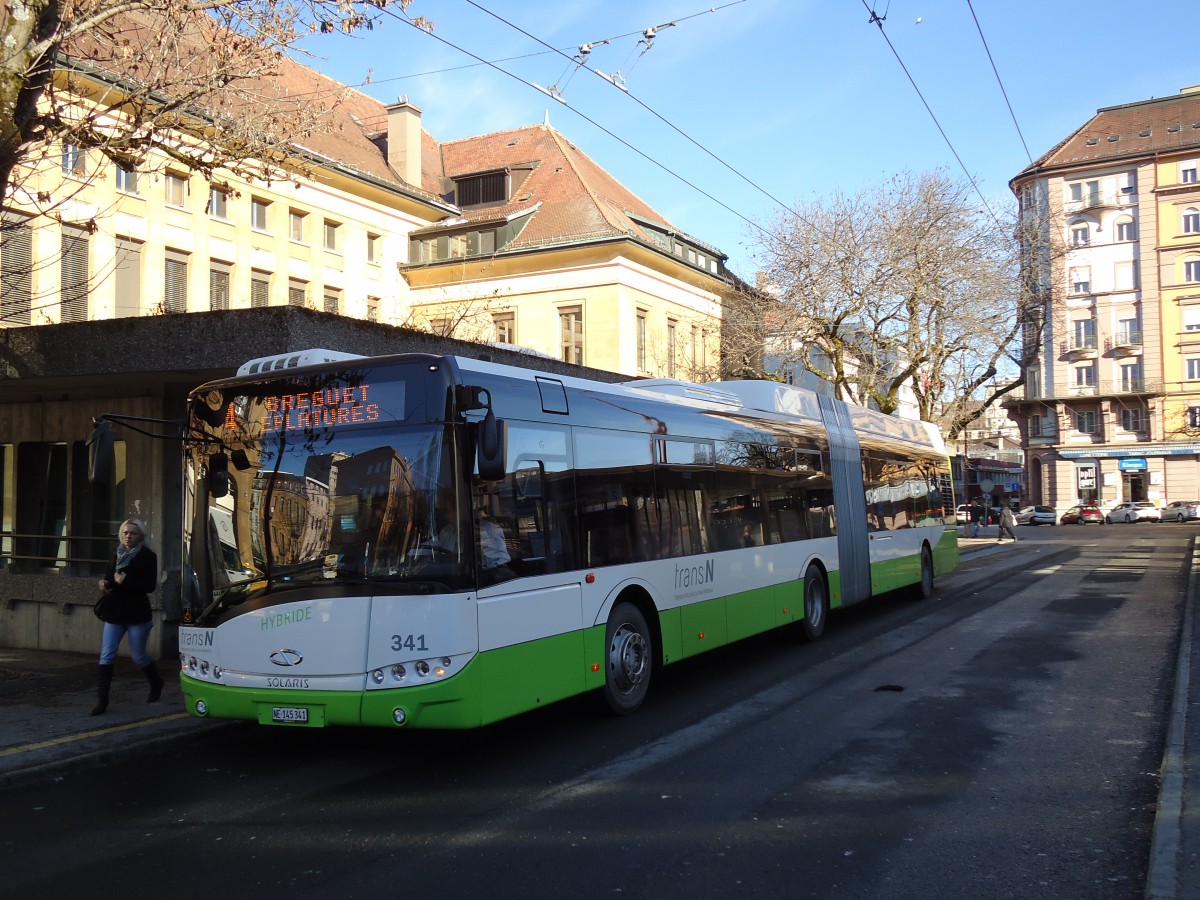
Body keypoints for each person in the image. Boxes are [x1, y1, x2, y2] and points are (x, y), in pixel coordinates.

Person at [91, 518, 162, 715]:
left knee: (138, 656)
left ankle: (156, 682)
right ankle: (102, 701)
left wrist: (126, 580)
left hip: (137, 613)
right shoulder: (115, 553)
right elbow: (109, 576)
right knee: (106, 655)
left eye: (133, 533)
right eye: (125, 532)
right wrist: (104, 583)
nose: (128, 536)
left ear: (141, 536)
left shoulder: (148, 556)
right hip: (115, 611)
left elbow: (149, 586)